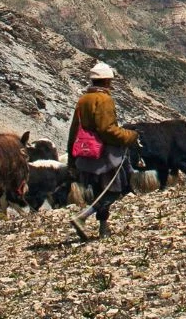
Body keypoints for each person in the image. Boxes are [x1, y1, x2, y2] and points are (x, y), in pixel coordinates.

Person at [67, 61, 138, 239]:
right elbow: (107, 130)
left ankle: (103, 228)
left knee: (99, 190)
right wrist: (130, 136)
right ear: (107, 81)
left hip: (86, 153)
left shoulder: (83, 100)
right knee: (113, 190)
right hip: (105, 155)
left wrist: (71, 157)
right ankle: (83, 217)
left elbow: (74, 129)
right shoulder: (104, 99)